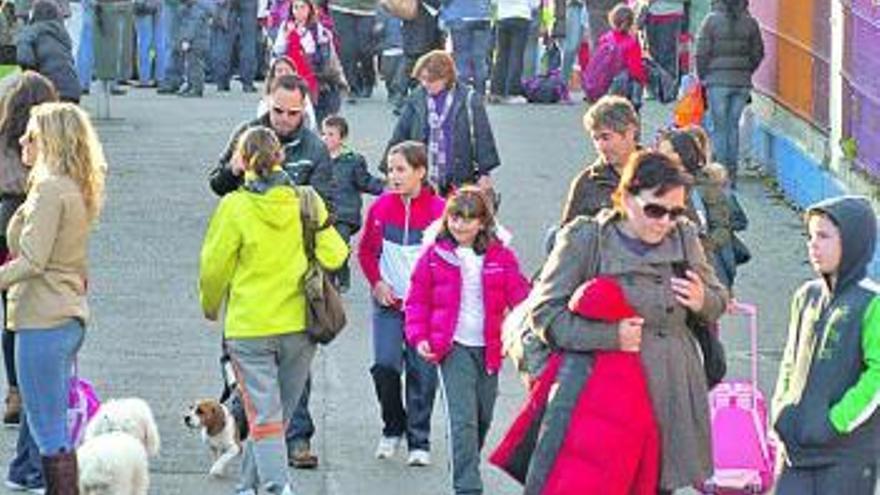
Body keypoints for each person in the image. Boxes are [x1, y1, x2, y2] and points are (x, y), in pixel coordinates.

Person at [528, 151, 728, 493]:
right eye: (654, 209)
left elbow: (718, 299)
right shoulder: (587, 239)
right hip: (604, 396)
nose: (665, 221)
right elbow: (545, 314)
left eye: (675, 211)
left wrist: (703, 300)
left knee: (658, 484)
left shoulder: (684, 238)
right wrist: (609, 336)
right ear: (624, 197)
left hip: (670, 391)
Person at [199, 126, 348, 495]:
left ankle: (277, 487)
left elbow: (213, 266)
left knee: (264, 416)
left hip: (250, 327)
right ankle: (247, 486)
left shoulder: (234, 206)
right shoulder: (306, 200)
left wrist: (210, 304)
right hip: (298, 325)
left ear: (242, 161)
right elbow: (336, 253)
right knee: (273, 415)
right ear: (279, 158)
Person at [0, 102, 106, 495]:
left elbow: (31, 259)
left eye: (31, 135)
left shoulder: (49, 190)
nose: (22, 141)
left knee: (48, 430)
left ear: (51, 143)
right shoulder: (71, 187)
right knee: (52, 427)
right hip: (63, 313)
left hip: (42, 317)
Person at [405, 186, 529, 494]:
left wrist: (535, 317)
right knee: (462, 420)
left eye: (469, 219)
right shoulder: (435, 255)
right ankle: (467, 487)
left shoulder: (501, 256)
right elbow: (417, 299)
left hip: (489, 349)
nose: (460, 225)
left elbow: (521, 298)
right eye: (455, 218)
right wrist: (419, 335)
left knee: (482, 416)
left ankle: (467, 460)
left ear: (483, 223)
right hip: (452, 347)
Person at [771, 196, 880, 495]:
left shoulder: (872, 302)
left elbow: (877, 376)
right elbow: (790, 360)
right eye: (810, 236)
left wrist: (835, 422)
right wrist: (780, 409)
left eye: (824, 236)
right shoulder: (806, 296)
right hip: (796, 452)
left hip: (846, 457)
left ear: (853, 241)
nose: (813, 245)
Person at [357, 141, 445, 466]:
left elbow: (450, 259)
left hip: (426, 309)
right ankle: (392, 426)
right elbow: (366, 252)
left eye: (400, 170)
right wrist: (377, 283)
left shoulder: (439, 211)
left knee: (423, 373)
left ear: (420, 172)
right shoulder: (380, 208)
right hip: (388, 304)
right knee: (385, 365)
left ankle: (418, 439)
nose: (393, 177)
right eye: (390, 170)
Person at [0, 70, 58, 493]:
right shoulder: (48, 149)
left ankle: (15, 389)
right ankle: (19, 390)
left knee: (11, 318)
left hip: (6, 227)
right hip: (25, 235)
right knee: (23, 318)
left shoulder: (6, 135)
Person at [209, 73, 336, 209]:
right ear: (268, 102)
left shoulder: (316, 148)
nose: (284, 118)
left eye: (293, 112)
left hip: (291, 227)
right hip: (247, 225)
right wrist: (232, 170)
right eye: (278, 111)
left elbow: (324, 205)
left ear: (304, 108)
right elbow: (216, 186)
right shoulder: (245, 134)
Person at [384, 50, 500, 198]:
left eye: (430, 80)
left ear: (446, 78)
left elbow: (483, 136)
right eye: (422, 79)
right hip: (424, 176)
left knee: (458, 218)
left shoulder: (469, 99)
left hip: (460, 175)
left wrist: (485, 173)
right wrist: (389, 172)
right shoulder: (417, 98)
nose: (425, 84)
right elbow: (400, 134)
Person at [656, 127, 736, 288]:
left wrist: (700, 247)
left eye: (670, 152)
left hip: (698, 267)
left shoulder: (705, 187)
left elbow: (722, 229)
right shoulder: (655, 183)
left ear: (685, 154)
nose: (663, 157)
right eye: (661, 152)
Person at [695, 0, 764, 185]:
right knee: (732, 127)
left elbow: (701, 53)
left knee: (720, 129)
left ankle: (720, 176)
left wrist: (703, 77)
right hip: (741, 83)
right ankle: (732, 175)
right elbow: (758, 53)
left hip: (717, 81)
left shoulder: (711, 21)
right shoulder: (751, 22)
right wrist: (747, 70)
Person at [321, 114, 383, 292]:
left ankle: (341, 271)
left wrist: (386, 187)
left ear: (342, 138)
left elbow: (365, 181)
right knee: (325, 247)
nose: (326, 138)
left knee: (340, 242)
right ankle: (330, 278)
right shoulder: (318, 159)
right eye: (323, 134)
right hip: (322, 213)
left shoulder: (353, 160)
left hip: (344, 214)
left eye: (331, 134)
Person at [560, 94, 639, 224]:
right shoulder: (586, 183)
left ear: (630, 132)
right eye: (595, 139)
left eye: (606, 137)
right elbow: (569, 236)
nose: (600, 146)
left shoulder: (660, 174)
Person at [272, 0, 346, 125]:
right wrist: (287, 36)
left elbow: (322, 55)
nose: (299, 12)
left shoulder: (317, 29)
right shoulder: (286, 26)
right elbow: (278, 51)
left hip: (311, 75)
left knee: (311, 112)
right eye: (295, 7)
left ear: (309, 9)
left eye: (302, 7)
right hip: (291, 72)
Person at [15, 0, 80, 102]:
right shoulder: (62, 35)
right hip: (72, 91)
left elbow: (24, 59)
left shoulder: (29, 32)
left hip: (48, 92)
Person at [155, 0, 208, 97]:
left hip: (196, 41)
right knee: (178, 47)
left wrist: (186, 39)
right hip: (174, 4)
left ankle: (195, 87)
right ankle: (189, 84)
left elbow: (192, 26)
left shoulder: (197, 9)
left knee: (194, 63)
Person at [441, 0, 492, 97]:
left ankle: (462, 96)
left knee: (462, 59)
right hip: (482, 16)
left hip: (459, 15)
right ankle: (480, 95)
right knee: (480, 59)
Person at [327, 0, 376, 100]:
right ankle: (352, 86)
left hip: (367, 9)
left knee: (365, 49)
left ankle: (368, 80)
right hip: (340, 7)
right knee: (347, 49)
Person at [490, 0, 536, 104]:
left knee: (501, 56)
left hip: (503, 17)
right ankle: (513, 92)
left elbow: (493, 2)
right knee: (517, 55)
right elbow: (535, 4)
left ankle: (497, 92)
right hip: (521, 16)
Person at [256, 56, 317, 132]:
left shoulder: (301, 95)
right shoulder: (266, 97)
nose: (283, 73)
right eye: (279, 71)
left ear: (294, 72)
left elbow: (311, 122)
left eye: (287, 70)